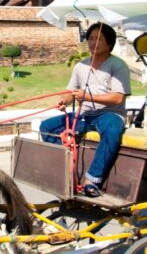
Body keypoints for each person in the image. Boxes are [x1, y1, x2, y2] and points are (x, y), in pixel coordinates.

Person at [39, 22, 131, 197]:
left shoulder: (118, 65)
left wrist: (87, 97)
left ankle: (92, 180)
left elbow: (118, 97)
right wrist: (64, 101)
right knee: (47, 127)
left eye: (99, 39)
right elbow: (71, 92)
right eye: (90, 38)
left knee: (112, 129)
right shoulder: (81, 66)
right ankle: (67, 171)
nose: (93, 42)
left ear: (110, 43)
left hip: (110, 114)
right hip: (85, 115)